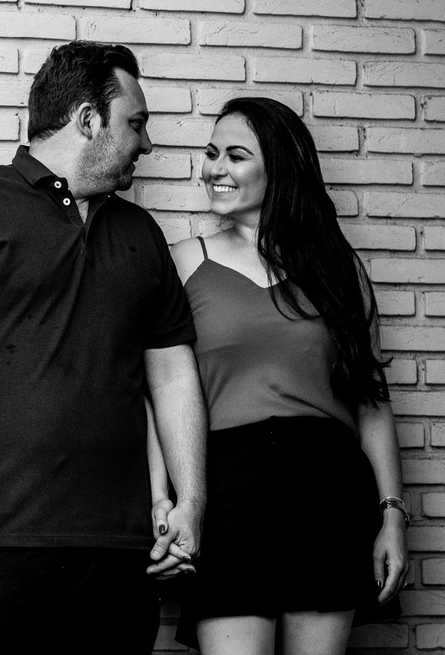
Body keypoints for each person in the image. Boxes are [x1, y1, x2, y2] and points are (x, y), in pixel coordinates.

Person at [0, 41, 208, 655]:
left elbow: (172, 377)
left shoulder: (141, 234)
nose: (147, 144)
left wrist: (190, 502)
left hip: (120, 552)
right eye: (136, 123)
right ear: (88, 119)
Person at [159, 97, 408, 654]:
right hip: (225, 485)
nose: (215, 168)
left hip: (327, 489)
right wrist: (169, 502)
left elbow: (371, 402)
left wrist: (393, 515)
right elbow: (159, 396)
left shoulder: (339, 269)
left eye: (236, 155)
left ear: (280, 168)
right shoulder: (183, 262)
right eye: (211, 153)